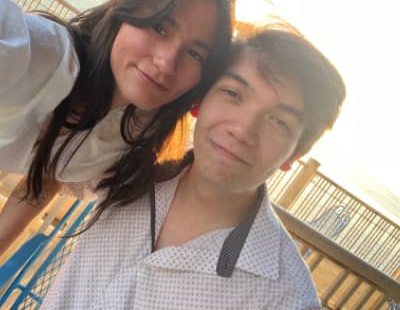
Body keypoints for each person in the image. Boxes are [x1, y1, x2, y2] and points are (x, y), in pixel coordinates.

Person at [41, 21, 346, 309]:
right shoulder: (129, 169)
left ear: (294, 155)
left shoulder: (286, 298)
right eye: (232, 93)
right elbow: (49, 168)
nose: (242, 129)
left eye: (279, 121)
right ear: (199, 101)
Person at [0, 0, 234, 254]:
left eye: (195, 54)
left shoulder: (128, 132)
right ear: (124, 10)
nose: (166, 63)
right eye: (160, 28)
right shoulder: (40, 54)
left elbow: (48, 176)